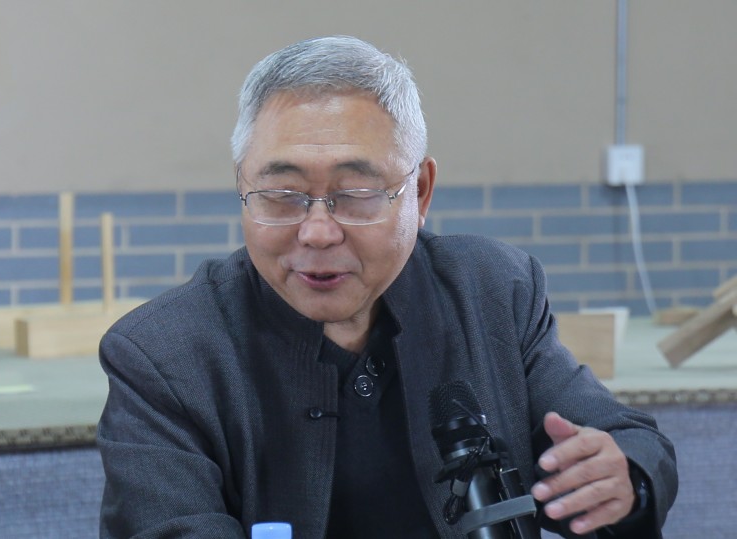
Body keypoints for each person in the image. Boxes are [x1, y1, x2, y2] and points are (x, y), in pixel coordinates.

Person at [97, 35, 677, 538]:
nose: (318, 232)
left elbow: (628, 441)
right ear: (242, 187)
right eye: (282, 195)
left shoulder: (491, 292)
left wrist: (619, 478)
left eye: (356, 194)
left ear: (420, 192)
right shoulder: (163, 356)